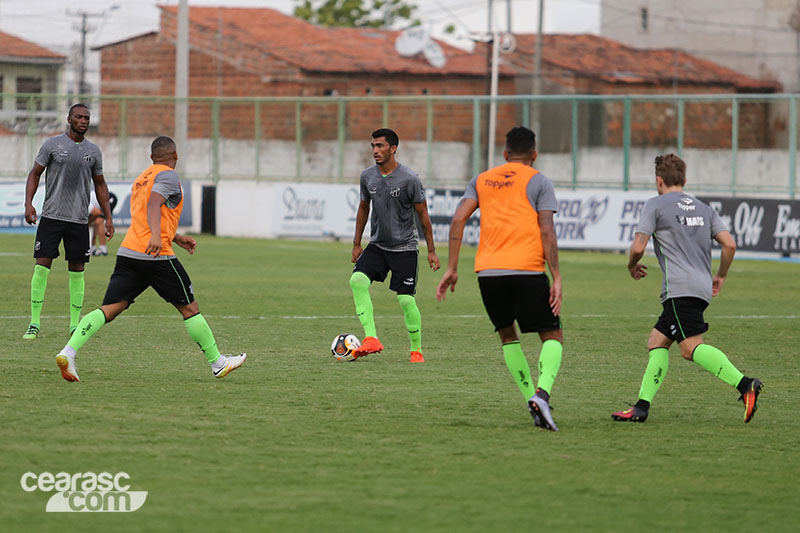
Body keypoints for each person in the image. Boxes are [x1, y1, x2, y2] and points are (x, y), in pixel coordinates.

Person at [55, 136, 246, 382]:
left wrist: (175, 237)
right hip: (155, 255)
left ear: (151, 157)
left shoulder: (142, 178)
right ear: (175, 155)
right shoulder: (168, 175)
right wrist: (158, 237)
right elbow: (155, 204)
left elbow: (145, 214)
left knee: (109, 309)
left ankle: (67, 352)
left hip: (129, 252)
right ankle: (218, 363)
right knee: (190, 307)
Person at [611, 153, 762, 423]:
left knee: (690, 348)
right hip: (701, 287)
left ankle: (744, 384)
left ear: (659, 180)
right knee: (657, 341)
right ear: (685, 180)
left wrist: (631, 265)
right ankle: (641, 407)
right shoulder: (705, 209)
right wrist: (721, 276)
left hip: (679, 289)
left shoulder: (655, 205)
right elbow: (730, 244)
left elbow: (637, 246)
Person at [436, 126, 563, 431]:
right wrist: (556, 275)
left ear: (505, 154)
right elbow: (547, 230)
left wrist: (452, 267)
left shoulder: (481, 179)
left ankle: (531, 401)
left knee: (508, 335)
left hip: (488, 272)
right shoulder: (539, 181)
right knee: (552, 336)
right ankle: (541, 395)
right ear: (534, 154)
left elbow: (457, 219)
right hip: (527, 270)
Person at [23, 103, 114, 339]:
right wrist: (28, 203)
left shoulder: (93, 151)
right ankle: (34, 323)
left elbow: (100, 184)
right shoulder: (52, 145)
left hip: (78, 220)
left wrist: (108, 216)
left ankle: (75, 324)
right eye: (79, 117)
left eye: (87, 117)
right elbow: (35, 173)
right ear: (69, 119)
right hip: (52, 217)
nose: (83, 121)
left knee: (77, 270)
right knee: (42, 266)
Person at [350, 128, 440, 363]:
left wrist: (431, 251)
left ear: (393, 149)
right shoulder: (367, 176)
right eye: (373, 146)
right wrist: (357, 243)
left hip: (405, 248)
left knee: (405, 299)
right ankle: (371, 339)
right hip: (378, 245)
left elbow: (423, 216)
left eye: (380, 146)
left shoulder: (409, 179)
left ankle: (416, 350)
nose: (375, 151)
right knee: (357, 280)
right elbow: (363, 208)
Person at [88, 190, 117, 256]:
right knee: (93, 222)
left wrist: (88, 222)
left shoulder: (87, 202)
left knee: (99, 221)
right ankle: (92, 248)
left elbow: (97, 213)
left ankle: (103, 249)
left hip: (109, 198)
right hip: (100, 202)